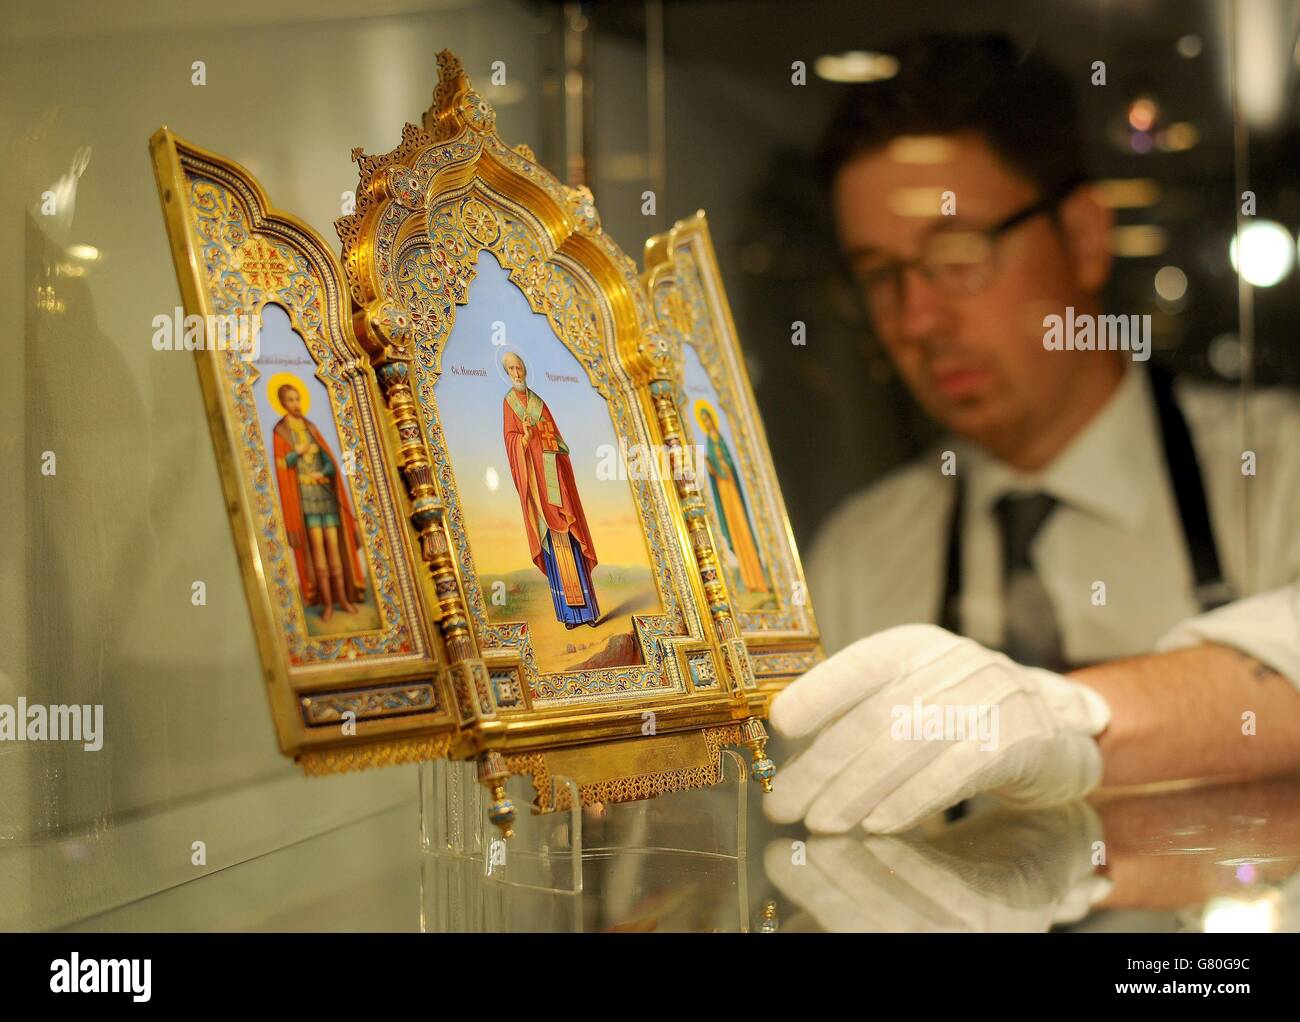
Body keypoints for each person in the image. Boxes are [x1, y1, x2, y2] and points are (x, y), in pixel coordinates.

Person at [766, 33, 1300, 835]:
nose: (916, 319)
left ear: (1083, 236)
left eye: (956, 254)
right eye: (881, 275)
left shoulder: (1279, 468)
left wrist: (1072, 721)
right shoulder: (857, 559)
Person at [501, 350, 601, 628]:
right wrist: (523, 440)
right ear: (507, 373)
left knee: (570, 537)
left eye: (520, 367)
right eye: (512, 369)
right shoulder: (509, 404)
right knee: (554, 545)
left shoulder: (539, 403)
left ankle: (588, 613)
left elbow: (557, 439)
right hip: (536, 482)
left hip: (554, 480)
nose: (518, 373)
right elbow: (510, 442)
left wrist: (554, 448)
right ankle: (570, 615)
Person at [271, 380, 366, 623]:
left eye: (297, 399)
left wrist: (322, 472)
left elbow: (329, 462)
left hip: (325, 496)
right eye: (290, 400)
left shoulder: (311, 428)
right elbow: (283, 465)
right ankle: (326, 603)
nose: (295, 404)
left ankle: (342, 599)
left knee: (334, 547)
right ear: (282, 403)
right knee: (319, 551)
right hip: (305, 499)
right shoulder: (280, 431)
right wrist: (297, 453)